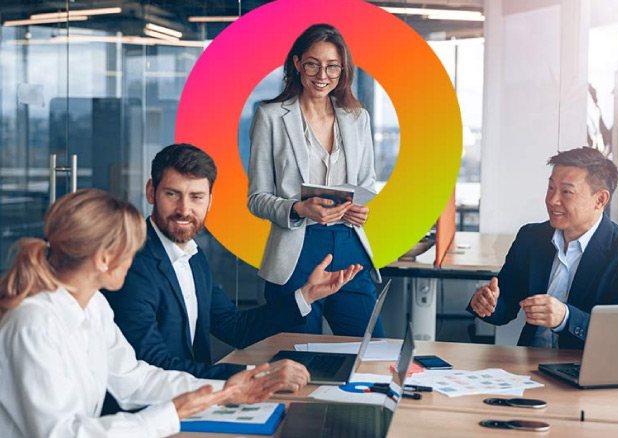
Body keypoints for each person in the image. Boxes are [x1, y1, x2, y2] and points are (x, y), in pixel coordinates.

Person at [0, 189, 308, 438]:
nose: (135, 258)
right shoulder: (34, 323)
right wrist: (171, 413)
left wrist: (225, 392)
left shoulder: (93, 305)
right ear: (105, 259)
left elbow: (135, 380)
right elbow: (60, 433)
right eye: (130, 250)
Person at [103, 143, 362, 383]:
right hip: (157, 408)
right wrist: (256, 376)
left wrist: (307, 295)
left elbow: (235, 328)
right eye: (172, 194)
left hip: (193, 395)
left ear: (210, 201)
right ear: (151, 192)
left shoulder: (192, 256)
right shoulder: (132, 265)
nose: (184, 209)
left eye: (196, 197)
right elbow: (152, 364)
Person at [248, 23, 383, 337]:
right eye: (313, 64)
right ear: (297, 64)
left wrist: (359, 208)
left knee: (369, 351)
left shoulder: (356, 117)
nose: (323, 75)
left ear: (342, 70)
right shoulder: (270, 117)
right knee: (296, 356)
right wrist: (299, 209)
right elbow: (257, 198)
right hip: (296, 252)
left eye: (332, 66)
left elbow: (367, 182)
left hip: (349, 246)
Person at [468, 147, 618, 349]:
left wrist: (566, 318)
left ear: (600, 199)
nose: (552, 200)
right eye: (551, 188)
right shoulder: (531, 238)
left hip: (587, 371)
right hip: (529, 365)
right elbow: (505, 305)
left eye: (566, 192)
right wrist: (489, 303)